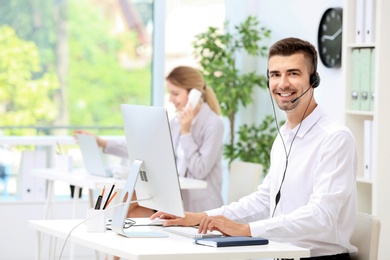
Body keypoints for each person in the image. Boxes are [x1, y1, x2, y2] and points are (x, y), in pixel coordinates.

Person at [150, 38, 357, 260]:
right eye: (275, 74)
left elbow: (321, 215)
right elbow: (262, 200)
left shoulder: (335, 138)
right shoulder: (283, 138)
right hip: (278, 253)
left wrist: (246, 230)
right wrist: (201, 217)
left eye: (293, 73)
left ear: (313, 79)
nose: (282, 83)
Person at [74, 65, 224, 214]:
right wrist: (102, 143)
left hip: (198, 207)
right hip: (174, 197)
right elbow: (145, 148)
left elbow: (200, 171)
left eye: (175, 93)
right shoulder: (176, 122)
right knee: (129, 201)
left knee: (132, 205)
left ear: (194, 94)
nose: (171, 99)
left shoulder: (213, 124)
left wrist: (186, 133)